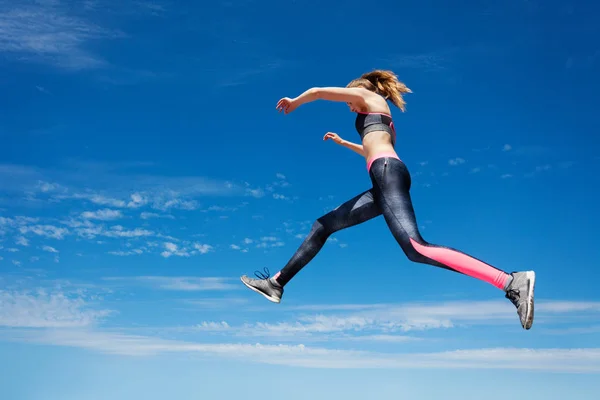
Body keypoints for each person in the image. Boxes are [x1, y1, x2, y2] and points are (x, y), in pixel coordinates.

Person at [240, 70, 536, 330]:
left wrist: (295, 101)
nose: (349, 106)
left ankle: (511, 281)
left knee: (417, 247)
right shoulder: (384, 122)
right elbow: (375, 149)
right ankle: (276, 283)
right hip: (384, 175)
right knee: (323, 226)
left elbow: (318, 92)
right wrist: (346, 143)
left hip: (386, 174)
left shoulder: (365, 94)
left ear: (360, 90)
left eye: (349, 102)